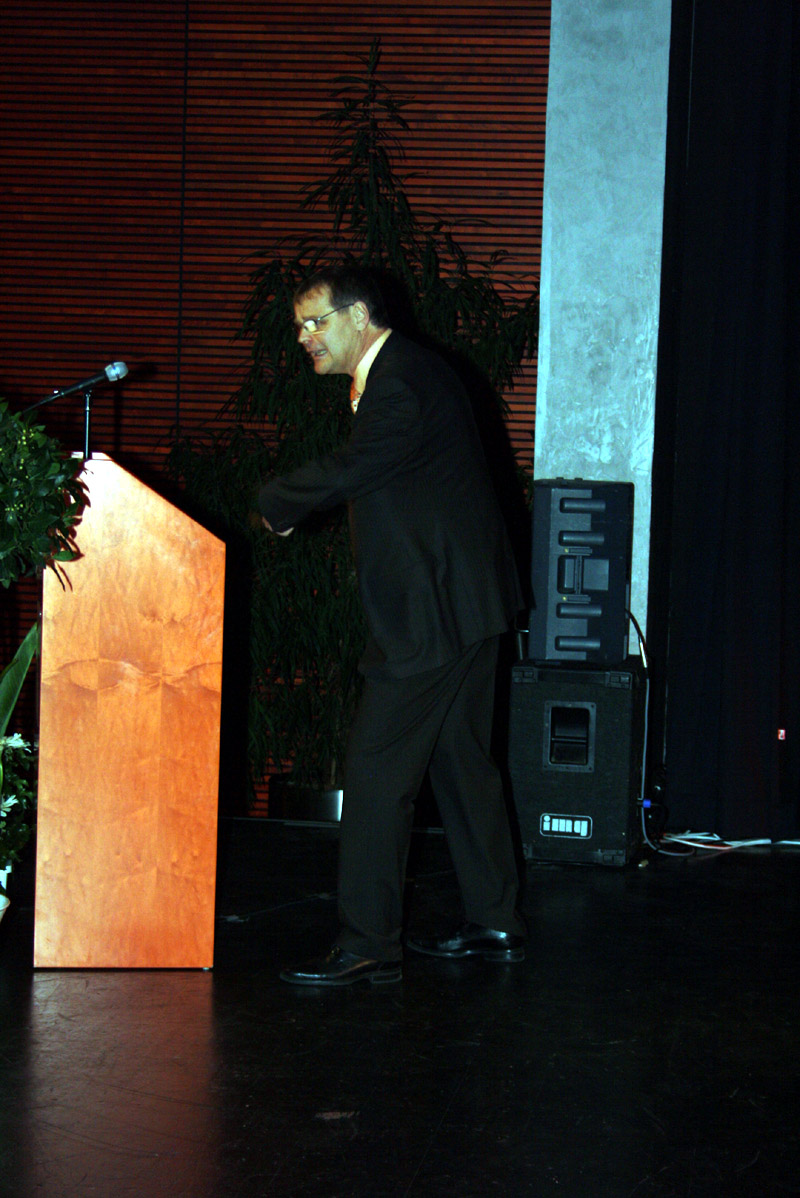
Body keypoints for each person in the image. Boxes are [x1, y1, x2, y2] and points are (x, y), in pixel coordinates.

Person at [258, 264, 527, 986]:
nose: (304, 338)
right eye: (298, 328)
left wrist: (280, 501)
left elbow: (362, 462)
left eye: (316, 322)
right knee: (463, 766)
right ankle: (496, 918)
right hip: (466, 603)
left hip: (433, 611)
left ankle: (368, 942)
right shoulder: (408, 371)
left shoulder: (400, 379)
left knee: (377, 773)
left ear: (359, 316)